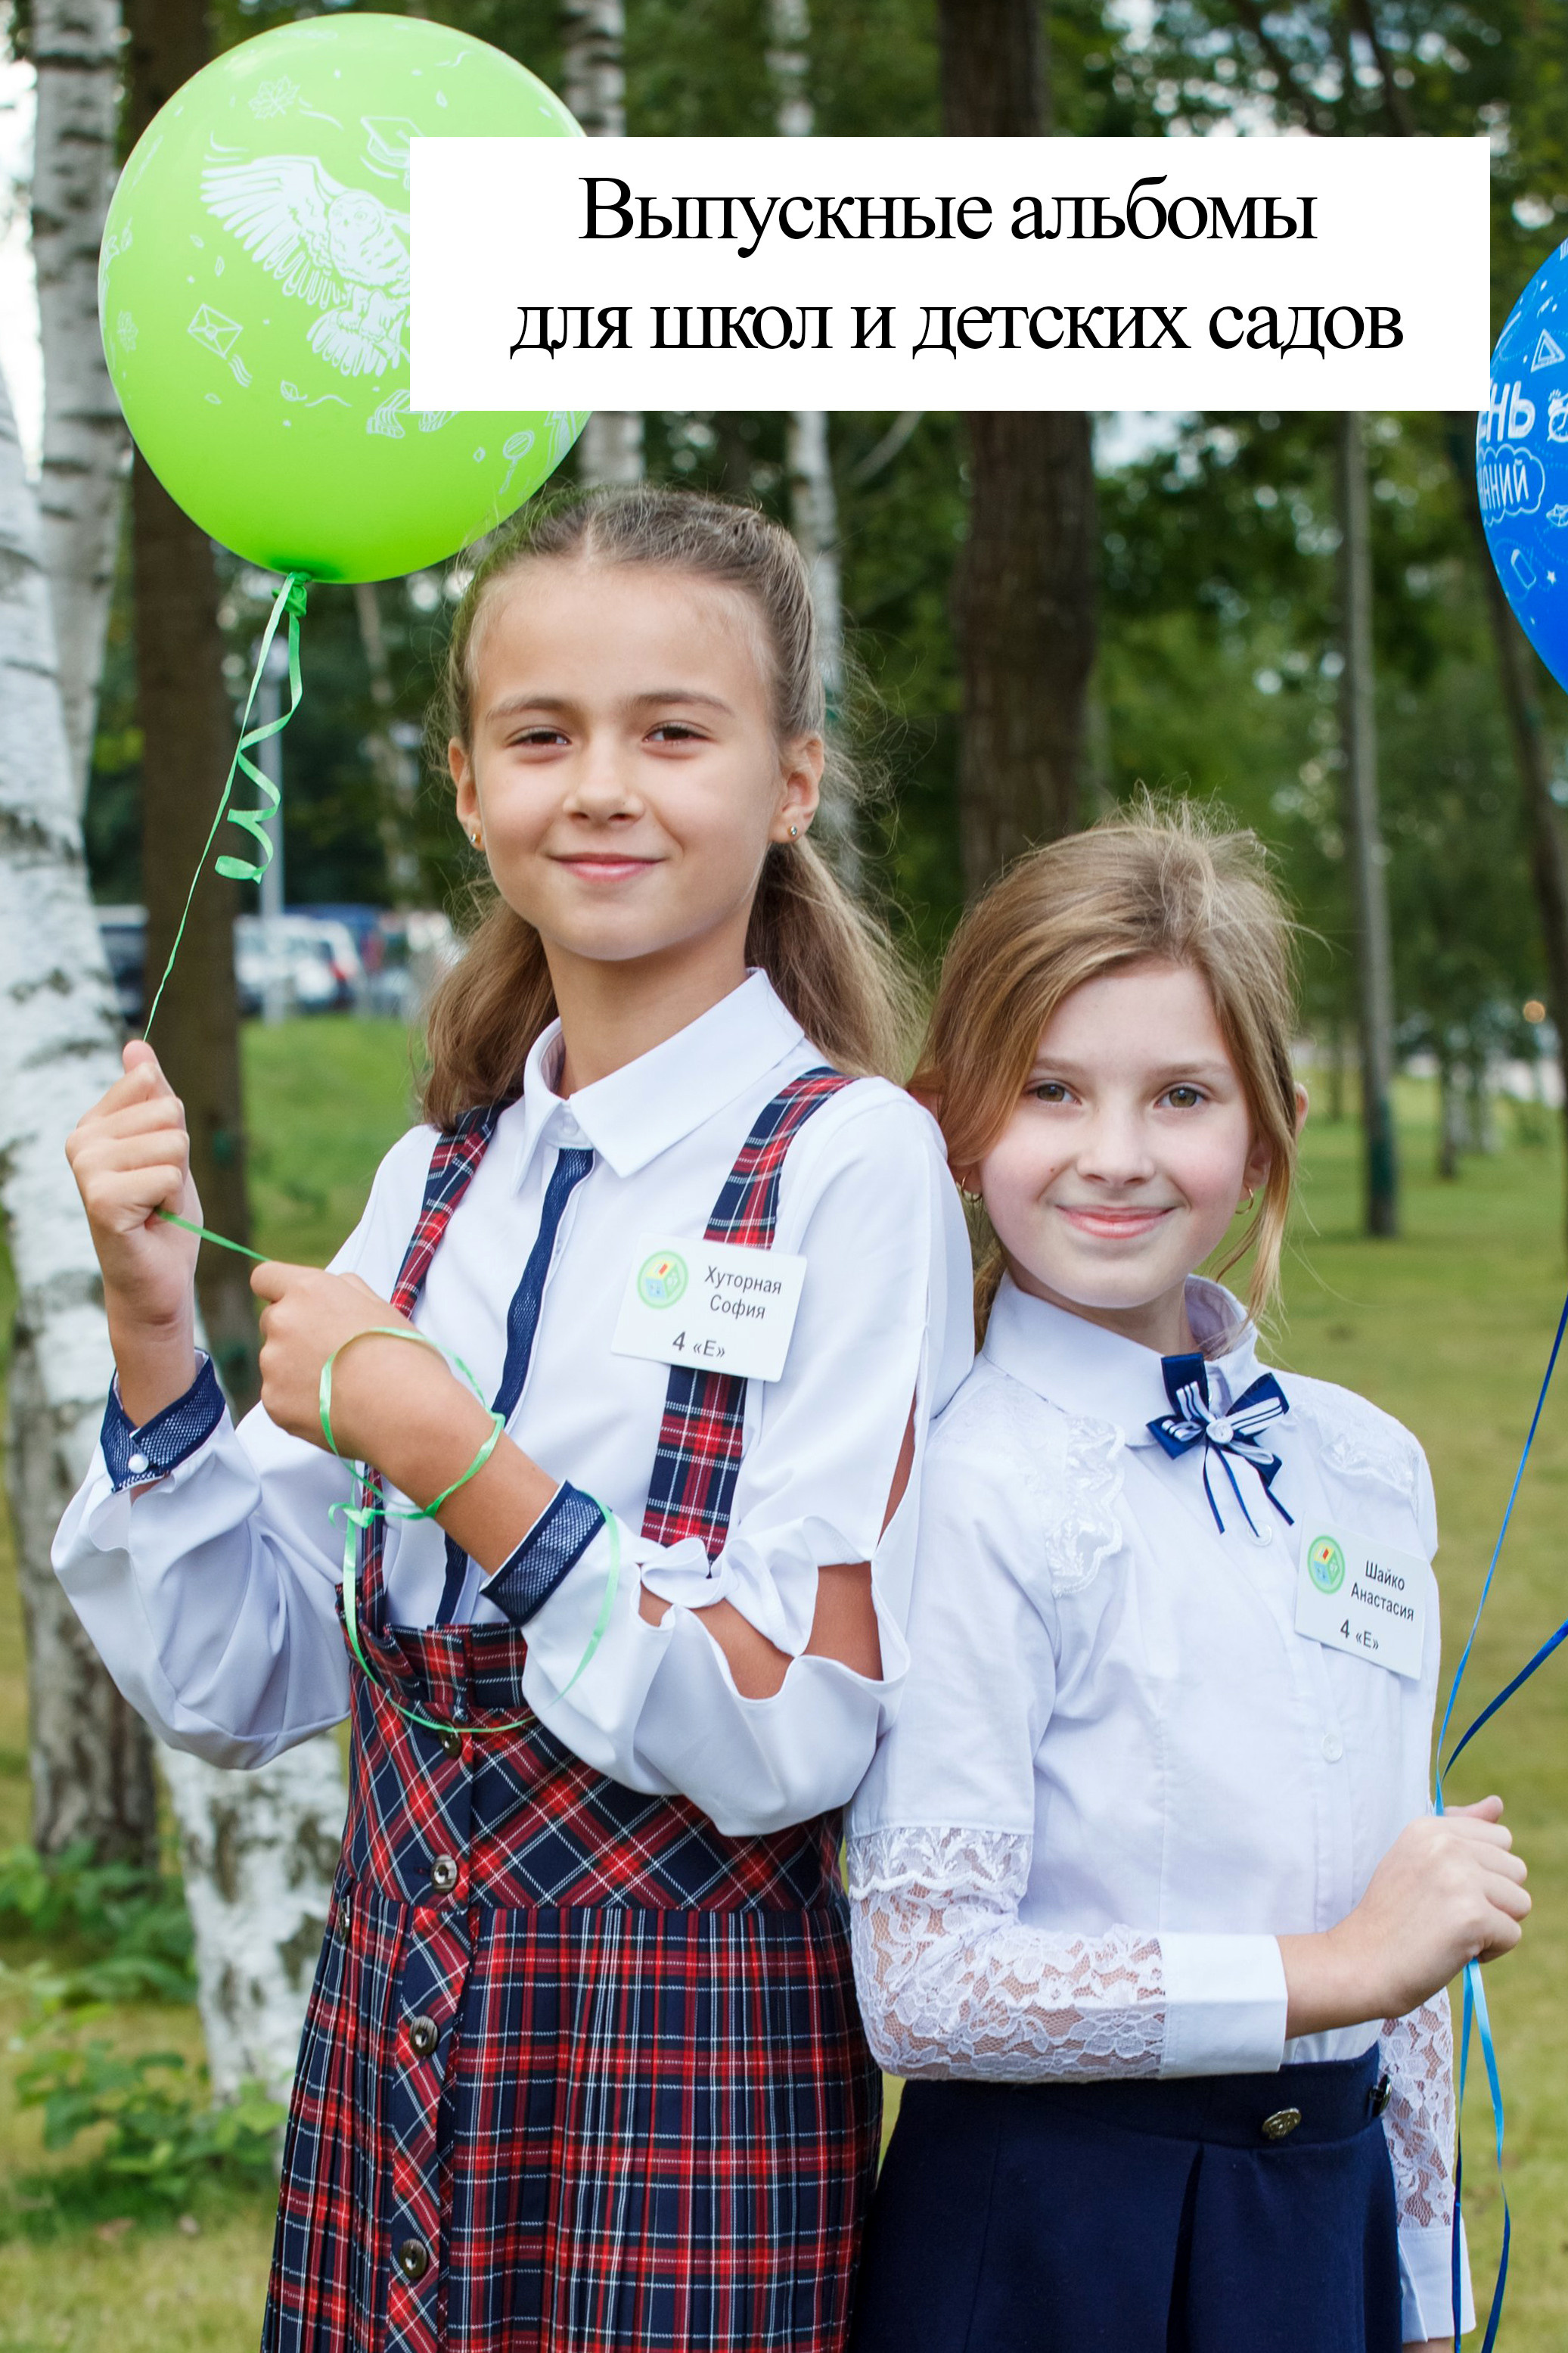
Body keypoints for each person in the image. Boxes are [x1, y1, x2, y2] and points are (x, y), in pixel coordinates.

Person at [55, 486, 973, 2353]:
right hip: (396, 2029)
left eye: (672, 732)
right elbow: (235, 1683)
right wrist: (155, 1333)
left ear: (790, 783)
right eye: (542, 737)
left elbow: (792, 1727)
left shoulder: (852, 1168)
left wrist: (457, 1461)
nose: (602, 788)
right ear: (468, 789)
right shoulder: (435, 1183)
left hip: (689, 2058)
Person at [846, 804, 1529, 2353]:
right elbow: (924, 1979)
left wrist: (1420, 2288)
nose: (1115, 1153)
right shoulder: (956, 1480)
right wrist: (1325, 1970)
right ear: (955, 1122)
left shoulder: (1364, 1465)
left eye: (1180, 1095)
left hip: (1319, 2226)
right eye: (1051, 1090)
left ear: (1268, 1128)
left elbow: (1402, 1923)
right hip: (1052, 2240)